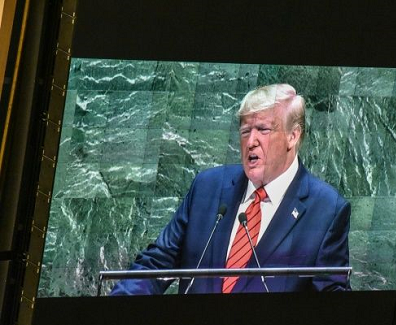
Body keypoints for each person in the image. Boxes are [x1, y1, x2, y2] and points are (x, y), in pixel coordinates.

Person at [110, 83, 351, 295]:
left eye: (263, 130)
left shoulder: (327, 210)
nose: (251, 141)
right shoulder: (208, 187)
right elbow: (156, 264)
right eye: (245, 131)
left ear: (292, 136)